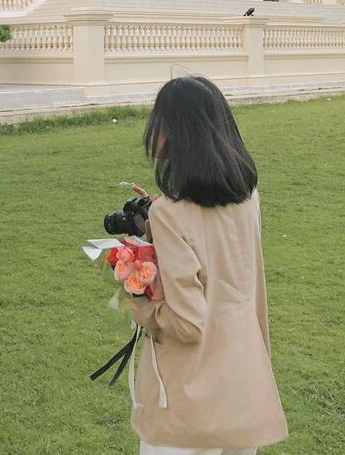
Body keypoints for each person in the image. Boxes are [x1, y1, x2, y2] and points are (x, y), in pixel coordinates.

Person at [129, 76, 288, 455]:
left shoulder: (171, 214)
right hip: (241, 381)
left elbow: (187, 322)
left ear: (175, 131)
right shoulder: (248, 198)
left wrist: (138, 297)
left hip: (187, 397)